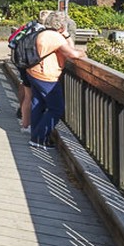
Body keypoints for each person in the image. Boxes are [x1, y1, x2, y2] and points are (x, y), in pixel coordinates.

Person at [26, 10, 85, 150]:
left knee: (38, 103)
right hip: (47, 76)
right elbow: (72, 53)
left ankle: (36, 135)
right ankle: (39, 138)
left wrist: (66, 34)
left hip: (33, 72)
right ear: (62, 26)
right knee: (56, 108)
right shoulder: (55, 37)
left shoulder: (43, 33)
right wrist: (82, 52)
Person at [15, 10, 54, 133]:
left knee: (28, 96)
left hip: (24, 64)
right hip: (35, 68)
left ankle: (25, 124)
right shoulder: (45, 33)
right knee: (35, 97)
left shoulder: (31, 26)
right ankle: (32, 125)